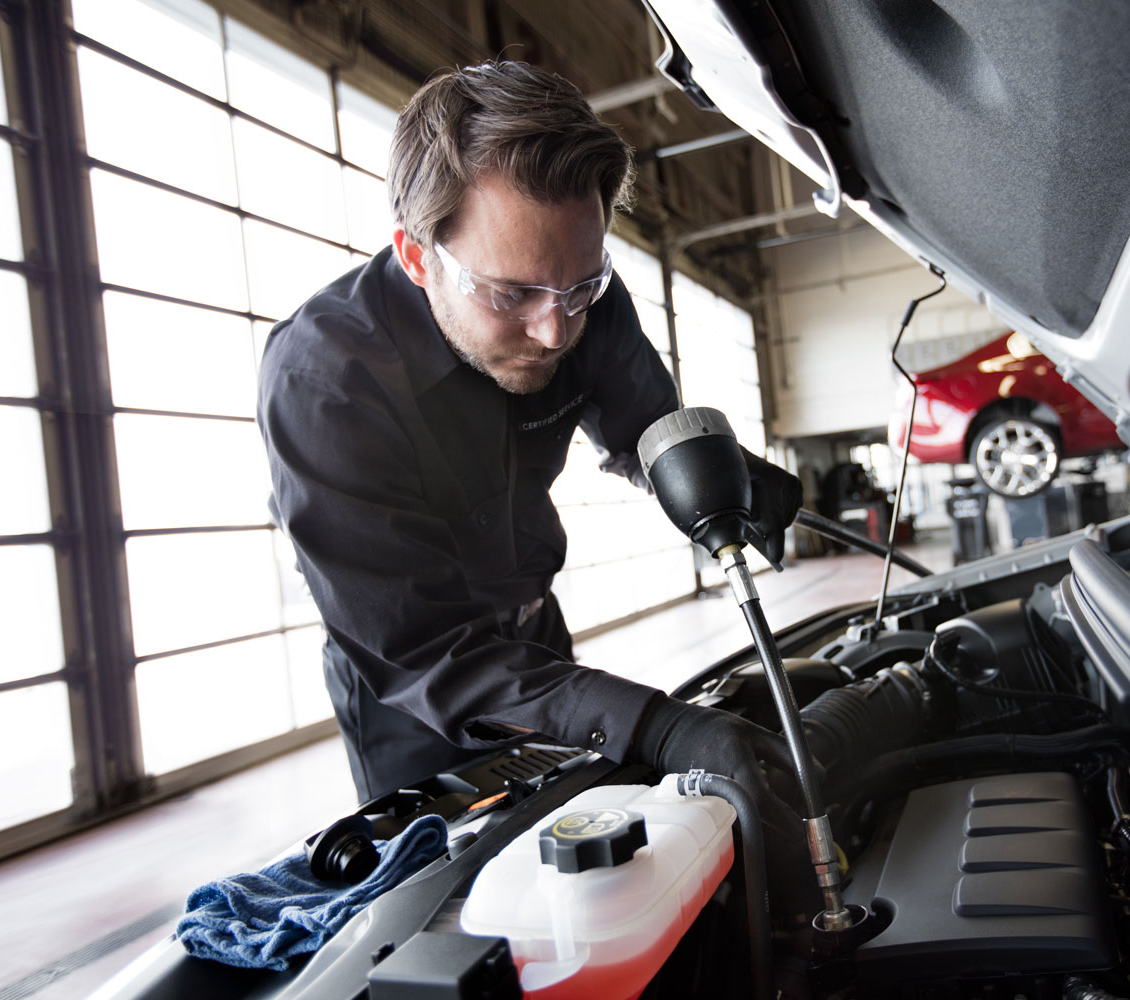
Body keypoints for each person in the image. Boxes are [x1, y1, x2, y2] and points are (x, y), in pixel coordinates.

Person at [257, 61, 804, 804]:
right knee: (456, 888)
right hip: (415, 685)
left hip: (535, 634)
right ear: (420, 256)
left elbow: (644, 426)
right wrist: (658, 727)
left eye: (580, 288)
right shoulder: (324, 381)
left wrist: (721, 477)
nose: (554, 330)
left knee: (589, 829)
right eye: (512, 293)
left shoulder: (579, 297)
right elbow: (421, 652)